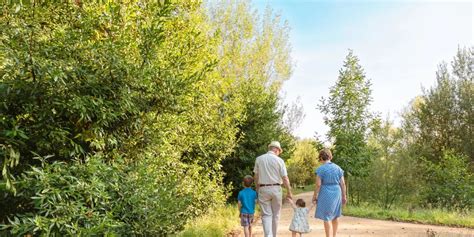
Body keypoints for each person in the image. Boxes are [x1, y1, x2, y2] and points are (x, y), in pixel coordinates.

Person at [254, 141, 293, 237]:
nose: (279, 153)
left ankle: (268, 236)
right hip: (276, 189)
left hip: (263, 188)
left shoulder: (259, 159)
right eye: (279, 151)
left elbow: (256, 176)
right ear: (276, 149)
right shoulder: (279, 161)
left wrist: (257, 189)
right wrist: (289, 192)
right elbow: (285, 178)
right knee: (276, 215)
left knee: (266, 215)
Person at [312, 148, 347, 237]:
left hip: (325, 192)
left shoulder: (321, 169)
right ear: (330, 156)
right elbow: (342, 183)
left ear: (321, 158)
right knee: (335, 215)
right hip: (337, 192)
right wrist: (344, 196)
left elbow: (318, 184)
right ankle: (334, 235)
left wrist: (315, 195)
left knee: (327, 216)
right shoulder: (338, 168)